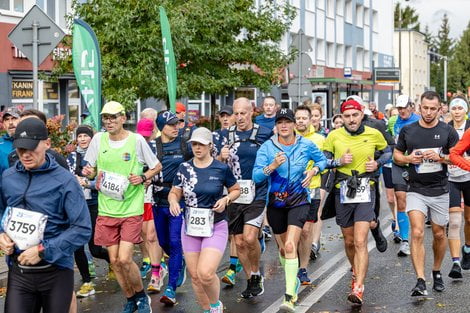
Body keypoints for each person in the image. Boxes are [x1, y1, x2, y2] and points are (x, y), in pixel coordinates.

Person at [0, 118, 91, 312]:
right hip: (19, 272)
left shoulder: (65, 181)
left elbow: (82, 229)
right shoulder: (8, 177)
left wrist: (42, 250)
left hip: (55, 272)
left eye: (31, 147)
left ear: (47, 144)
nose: (25, 154)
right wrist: (2, 234)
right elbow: (2, 211)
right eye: (20, 148)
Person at [83, 101, 161, 313]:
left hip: (130, 208)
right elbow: (89, 169)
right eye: (105, 118)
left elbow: (156, 166)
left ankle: (142, 297)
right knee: (115, 261)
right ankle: (130, 298)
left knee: (125, 259)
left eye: (113, 117)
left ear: (123, 118)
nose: (109, 121)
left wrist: (143, 176)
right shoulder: (98, 140)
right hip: (107, 208)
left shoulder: (136, 141)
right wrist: (89, 174)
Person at [253, 108, 327, 312]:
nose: (284, 125)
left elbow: (322, 160)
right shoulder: (267, 148)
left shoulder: (305, 145)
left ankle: (289, 296)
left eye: (287, 121)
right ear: (276, 126)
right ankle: (292, 281)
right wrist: (273, 165)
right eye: (280, 122)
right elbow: (257, 176)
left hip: (299, 201)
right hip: (275, 204)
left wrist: (313, 170)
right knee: (283, 250)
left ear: (294, 124)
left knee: (290, 246)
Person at [322, 99, 390, 305]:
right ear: (341, 118)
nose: (351, 120)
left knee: (360, 241)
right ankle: (355, 272)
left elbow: (388, 151)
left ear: (361, 115)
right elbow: (323, 160)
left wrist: (377, 163)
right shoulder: (333, 136)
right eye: (347, 116)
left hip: (365, 188)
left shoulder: (374, 133)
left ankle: (359, 286)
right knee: (349, 241)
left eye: (355, 115)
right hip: (342, 189)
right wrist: (338, 162)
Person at [168, 127, 240, 313]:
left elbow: (236, 190)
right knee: (195, 275)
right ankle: (207, 309)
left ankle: (216, 305)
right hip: (191, 227)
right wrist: (173, 201)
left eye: (201, 144)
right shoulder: (184, 168)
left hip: (215, 225)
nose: (197, 148)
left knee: (206, 273)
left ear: (210, 145)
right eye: (194, 144)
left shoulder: (221, 168)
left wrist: (226, 199)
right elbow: (175, 192)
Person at [394, 91, 458, 296]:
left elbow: (456, 158)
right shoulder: (408, 131)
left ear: (439, 109)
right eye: (425, 108)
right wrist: (408, 159)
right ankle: (420, 280)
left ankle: (436, 270)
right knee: (418, 232)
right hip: (416, 189)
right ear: (419, 107)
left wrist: (440, 157)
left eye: (433, 109)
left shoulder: (448, 131)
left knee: (439, 234)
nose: (428, 112)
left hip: (440, 189)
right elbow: (396, 155)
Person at [217, 97, 272, 297]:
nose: (239, 117)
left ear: (252, 112)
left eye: (243, 113)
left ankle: (256, 271)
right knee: (239, 242)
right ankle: (251, 280)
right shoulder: (225, 135)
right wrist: (220, 157)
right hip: (233, 193)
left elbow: (276, 156)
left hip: (257, 192)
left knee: (249, 237)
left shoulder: (265, 133)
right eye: (236, 113)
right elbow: (214, 163)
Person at [152, 110, 193, 304]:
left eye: (177, 124)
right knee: (164, 243)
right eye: (171, 124)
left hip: (179, 200)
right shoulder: (153, 147)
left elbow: (201, 162)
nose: (176, 127)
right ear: (161, 127)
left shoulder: (185, 145)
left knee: (176, 242)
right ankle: (180, 262)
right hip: (158, 201)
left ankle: (171, 287)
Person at [68, 125, 112, 298]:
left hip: (94, 203)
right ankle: (87, 281)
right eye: (80, 136)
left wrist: (89, 183)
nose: (83, 139)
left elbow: (104, 179)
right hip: (76, 204)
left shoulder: (99, 155)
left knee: (95, 248)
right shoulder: (71, 157)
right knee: (77, 246)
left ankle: (112, 261)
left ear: (92, 138)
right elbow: (66, 175)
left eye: (86, 136)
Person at [294, 105, 326, 284]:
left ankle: (303, 268)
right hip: (291, 191)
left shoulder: (319, 140)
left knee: (306, 231)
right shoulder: (287, 139)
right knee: (292, 232)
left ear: (310, 120)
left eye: (304, 118)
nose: (300, 121)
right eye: (297, 118)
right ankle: (292, 263)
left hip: (312, 189)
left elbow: (325, 161)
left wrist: (315, 170)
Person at [135, 118, 167, 293]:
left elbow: (159, 168)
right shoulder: (133, 145)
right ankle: (156, 263)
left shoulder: (157, 147)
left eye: (148, 136)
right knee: (145, 235)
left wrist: (148, 178)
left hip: (153, 196)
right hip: (137, 196)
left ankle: (157, 270)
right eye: (142, 136)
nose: (145, 140)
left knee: (151, 235)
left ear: (154, 133)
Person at [444, 97, 470, 279]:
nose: (457, 111)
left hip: (469, 177)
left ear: (465, 110)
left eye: (461, 108)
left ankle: (467, 248)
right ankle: (455, 263)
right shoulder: (445, 128)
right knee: (454, 222)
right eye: (454, 108)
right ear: (450, 111)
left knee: (469, 219)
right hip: (451, 178)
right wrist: (450, 159)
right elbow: (440, 153)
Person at [392, 95, 420, 257]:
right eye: (399, 108)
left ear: (410, 106)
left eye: (404, 107)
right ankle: (405, 241)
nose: (401, 111)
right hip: (399, 164)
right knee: (400, 199)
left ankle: (417, 233)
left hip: (417, 166)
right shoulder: (393, 122)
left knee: (416, 201)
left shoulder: (418, 121)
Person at [0, 107, 20, 175]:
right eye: (7, 119)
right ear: (3, 124)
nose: (10, 122)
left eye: (14, 118)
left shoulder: (31, 140)